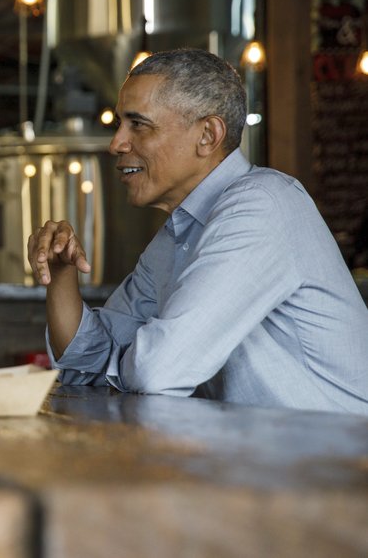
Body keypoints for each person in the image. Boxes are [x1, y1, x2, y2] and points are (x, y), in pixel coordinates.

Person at [27, 48, 368, 415]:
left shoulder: (264, 205)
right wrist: (61, 275)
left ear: (208, 135)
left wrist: (127, 362)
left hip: (338, 462)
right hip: (260, 462)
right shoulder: (179, 231)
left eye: (138, 124)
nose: (117, 144)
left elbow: (158, 371)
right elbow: (85, 365)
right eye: (119, 125)